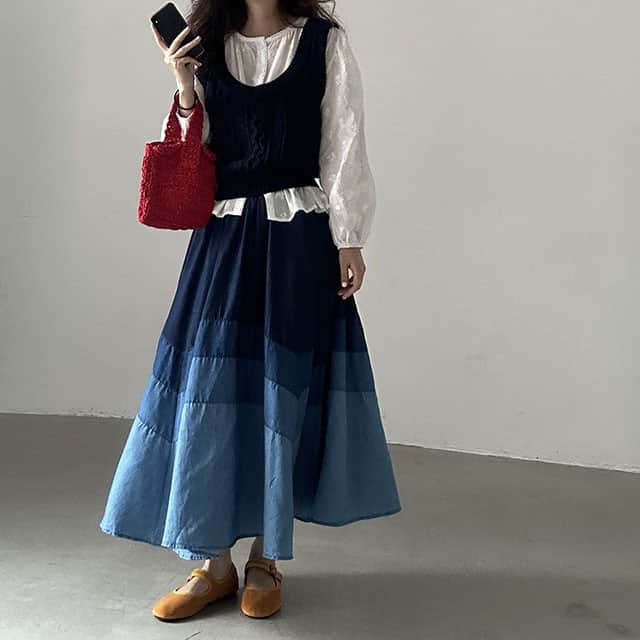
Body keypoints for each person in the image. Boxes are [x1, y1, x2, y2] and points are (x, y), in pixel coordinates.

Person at [99, 0, 401, 621]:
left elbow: (343, 140)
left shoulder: (323, 42)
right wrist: (185, 84)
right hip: (225, 240)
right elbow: (198, 147)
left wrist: (349, 238)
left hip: (299, 241)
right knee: (209, 391)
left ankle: (265, 558)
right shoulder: (206, 42)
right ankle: (212, 563)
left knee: (281, 389)